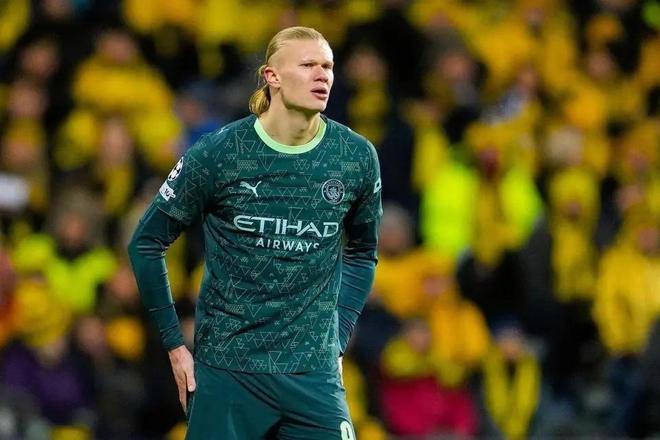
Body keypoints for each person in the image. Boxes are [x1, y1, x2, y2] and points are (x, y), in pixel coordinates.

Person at [128, 26, 382, 439]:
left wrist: (338, 337)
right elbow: (146, 242)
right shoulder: (221, 153)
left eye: (328, 66)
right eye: (308, 64)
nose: (323, 75)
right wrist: (174, 345)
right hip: (228, 373)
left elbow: (362, 253)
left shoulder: (354, 157)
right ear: (272, 76)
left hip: (312, 374)